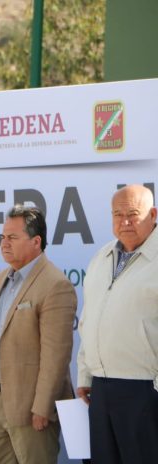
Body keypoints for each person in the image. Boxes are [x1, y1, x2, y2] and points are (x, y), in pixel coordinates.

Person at [0, 205, 76, 464]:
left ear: (36, 241)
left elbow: (56, 356)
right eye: (2, 237)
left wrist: (42, 408)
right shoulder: (0, 280)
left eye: (12, 237)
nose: (4, 244)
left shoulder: (55, 285)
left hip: (32, 410)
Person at [77, 184, 158, 463]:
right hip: (100, 391)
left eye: (133, 214)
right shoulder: (101, 258)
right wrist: (85, 376)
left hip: (145, 391)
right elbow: (89, 320)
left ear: (153, 214)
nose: (125, 222)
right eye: (117, 215)